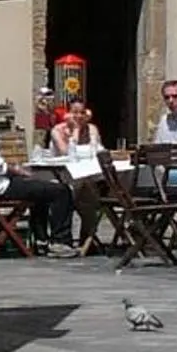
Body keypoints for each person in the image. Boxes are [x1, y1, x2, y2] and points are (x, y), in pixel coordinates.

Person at [0, 90, 73, 247]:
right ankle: (60, 241)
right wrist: (18, 170)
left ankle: (41, 239)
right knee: (61, 191)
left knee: (40, 189)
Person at [47, 96, 106, 248]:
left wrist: (89, 133)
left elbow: (96, 150)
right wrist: (76, 131)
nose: (78, 116)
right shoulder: (57, 131)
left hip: (86, 175)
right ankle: (66, 239)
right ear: (67, 113)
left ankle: (87, 239)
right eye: (74, 113)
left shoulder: (91, 128)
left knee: (90, 194)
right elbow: (66, 153)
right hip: (62, 176)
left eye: (82, 113)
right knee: (79, 192)